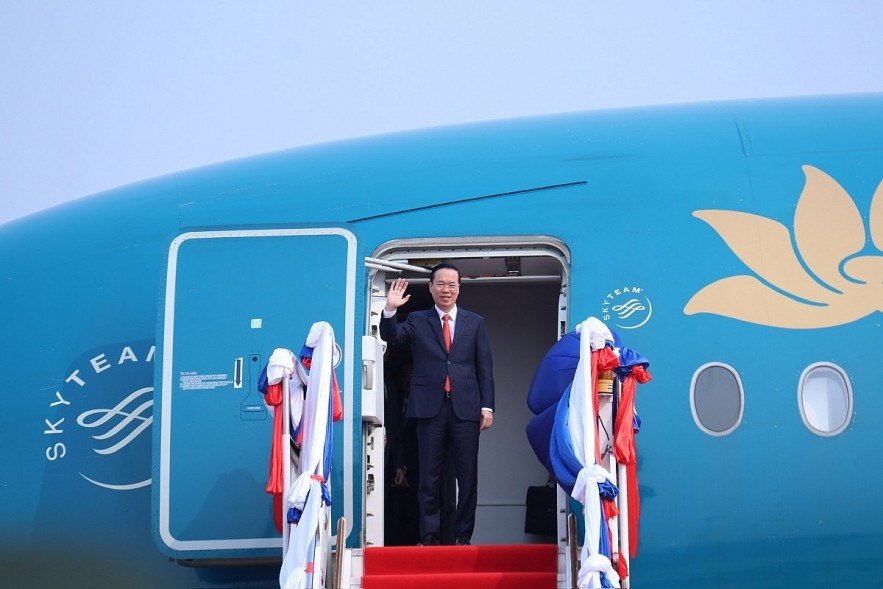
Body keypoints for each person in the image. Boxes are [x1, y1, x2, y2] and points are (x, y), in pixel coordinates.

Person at [379, 263, 495, 546]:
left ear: (459, 288)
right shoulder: (418, 320)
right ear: (431, 288)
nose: (446, 289)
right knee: (428, 478)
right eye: (440, 284)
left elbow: (484, 367)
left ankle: (462, 536)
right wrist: (390, 311)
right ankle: (429, 536)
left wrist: (487, 406)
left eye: (452, 284)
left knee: (467, 478)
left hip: (465, 408)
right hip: (429, 409)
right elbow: (392, 336)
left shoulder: (474, 322)